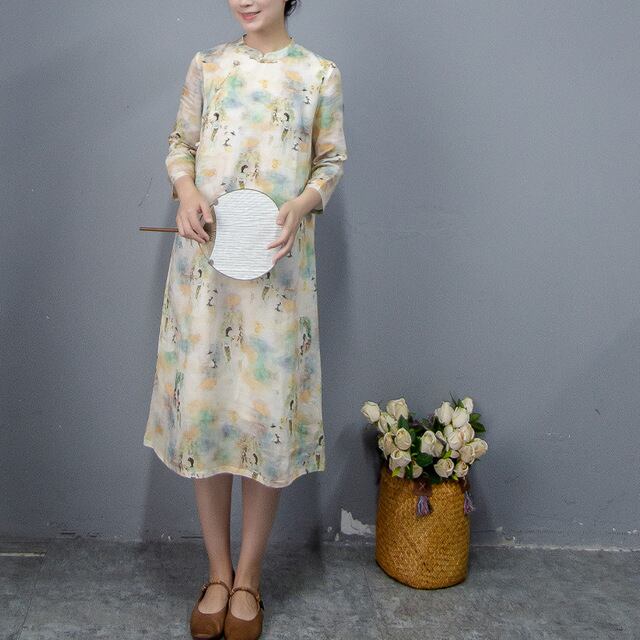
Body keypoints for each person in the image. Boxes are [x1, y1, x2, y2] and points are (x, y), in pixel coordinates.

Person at [142, 1, 347, 638]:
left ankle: (250, 576)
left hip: (277, 275)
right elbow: (181, 145)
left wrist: (303, 205)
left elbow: (330, 162)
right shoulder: (208, 66)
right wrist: (186, 193)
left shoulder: (318, 74)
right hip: (206, 269)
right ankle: (217, 572)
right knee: (208, 413)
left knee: (264, 417)